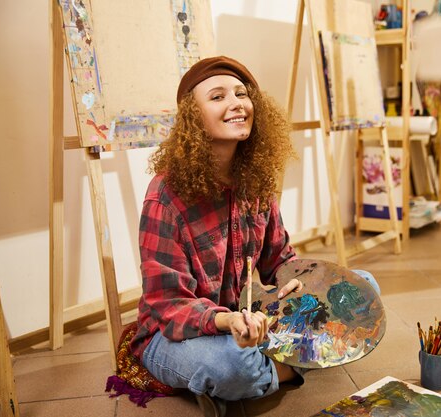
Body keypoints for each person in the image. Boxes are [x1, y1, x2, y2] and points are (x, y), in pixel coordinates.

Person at [129, 56, 379, 417]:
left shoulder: (255, 179)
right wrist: (228, 322)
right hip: (179, 334)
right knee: (232, 365)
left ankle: (271, 366)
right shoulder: (165, 196)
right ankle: (293, 365)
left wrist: (296, 281)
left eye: (241, 94)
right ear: (192, 117)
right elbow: (167, 303)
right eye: (217, 97)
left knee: (362, 287)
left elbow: (280, 260)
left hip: (247, 317)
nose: (236, 104)